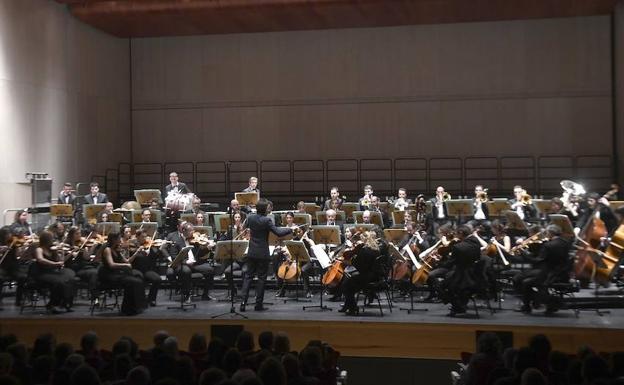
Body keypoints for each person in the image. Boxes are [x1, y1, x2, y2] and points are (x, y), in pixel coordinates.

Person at [240, 198, 293, 312]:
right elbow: (278, 233)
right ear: (265, 209)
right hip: (263, 252)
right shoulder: (267, 220)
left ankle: (243, 303)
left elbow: (245, 227)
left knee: (248, 277)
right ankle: (258, 305)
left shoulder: (250, 218)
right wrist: (290, 229)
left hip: (252, 251)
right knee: (261, 279)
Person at [514, 224, 572, 314]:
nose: (546, 235)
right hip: (562, 273)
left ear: (550, 233)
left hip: (548, 274)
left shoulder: (548, 245)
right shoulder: (565, 243)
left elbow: (537, 261)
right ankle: (537, 303)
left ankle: (547, 302)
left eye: (547, 233)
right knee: (524, 279)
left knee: (524, 282)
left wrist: (523, 253)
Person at [161, 221, 216, 302]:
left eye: (193, 230)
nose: (193, 232)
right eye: (190, 230)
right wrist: (186, 262)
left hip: (194, 264)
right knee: (186, 271)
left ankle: (205, 294)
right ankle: (187, 294)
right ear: (184, 231)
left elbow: (200, 253)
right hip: (182, 264)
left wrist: (208, 248)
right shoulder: (176, 241)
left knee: (210, 270)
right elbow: (174, 257)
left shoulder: (194, 240)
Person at [98, 232, 146, 315]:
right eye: (119, 238)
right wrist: (125, 265)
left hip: (117, 274)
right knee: (133, 282)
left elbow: (127, 261)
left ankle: (137, 306)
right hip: (109, 275)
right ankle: (127, 309)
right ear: (113, 240)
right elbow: (111, 264)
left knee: (138, 279)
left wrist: (136, 253)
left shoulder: (117, 249)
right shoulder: (107, 249)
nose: (120, 240)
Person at [339, 231, 382, 315]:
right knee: (348, 281)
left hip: (367, 277)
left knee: (345, 285)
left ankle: (353, 308)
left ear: (364, 240)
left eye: (361, 240)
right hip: (375, 276)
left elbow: (358, 266)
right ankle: (348, 306)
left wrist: (346, 262)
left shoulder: (364, 251)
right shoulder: (375, 249)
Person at [33, 231, 75, 314]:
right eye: (51, 239)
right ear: (46, 240)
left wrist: (62, 253)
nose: (53, 240)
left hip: (52, 272)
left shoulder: (53, 250)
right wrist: (54, 264)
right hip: (42, 273)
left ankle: (64, 303)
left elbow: (60, 261)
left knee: (70, 280)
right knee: (59, 282)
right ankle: (53, 304)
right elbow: (40, 259)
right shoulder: (39, 249)